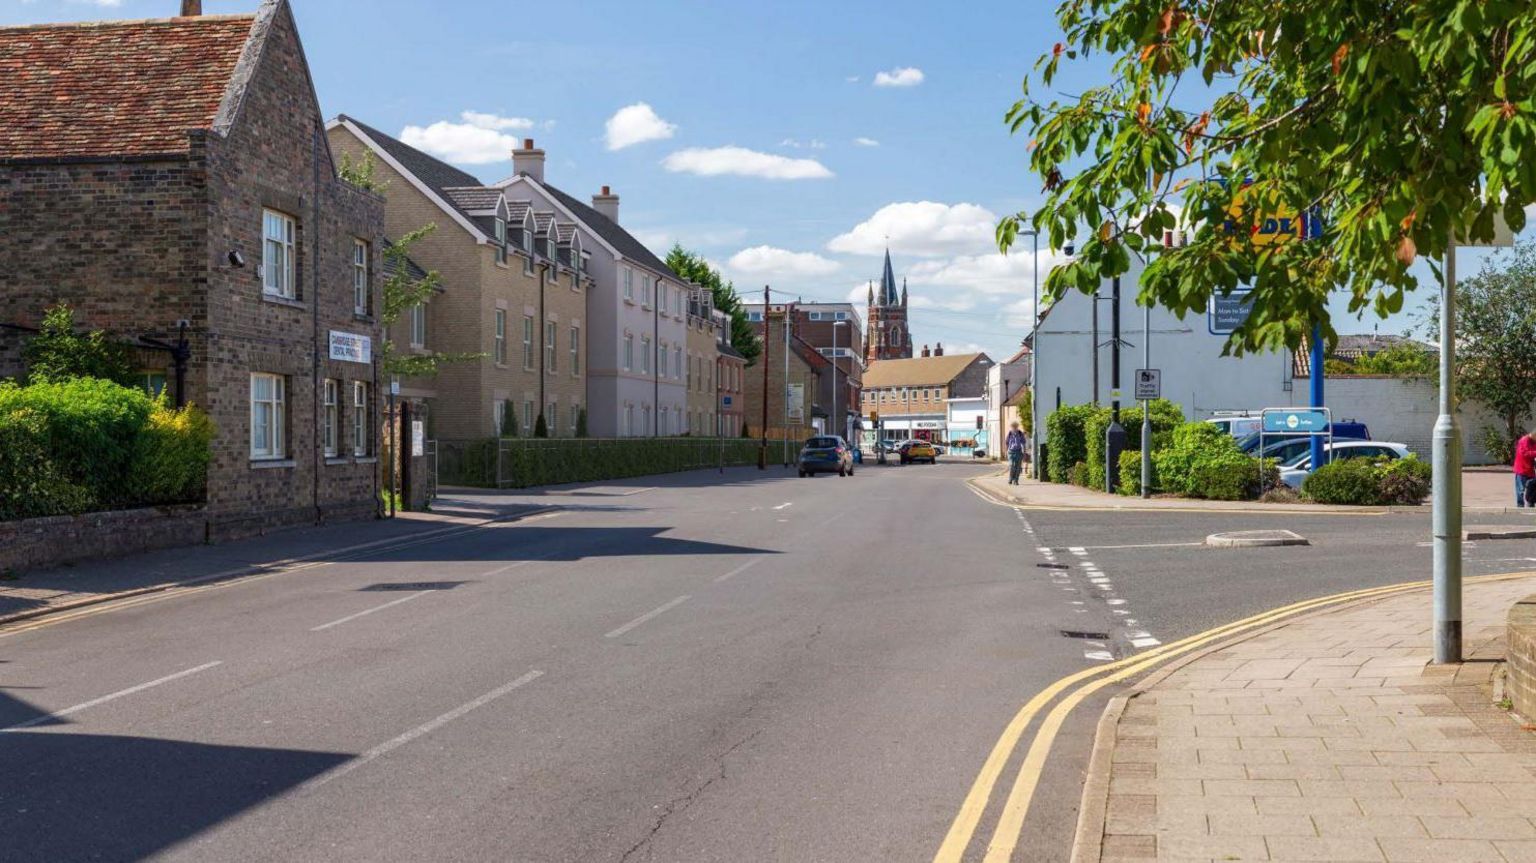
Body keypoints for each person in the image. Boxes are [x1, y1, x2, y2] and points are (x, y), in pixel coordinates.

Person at [1516, 430, 1536, 507]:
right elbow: (1525, 453)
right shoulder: (1524, 440)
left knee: (1533, 487)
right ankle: (1520, 505)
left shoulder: (1533, 442)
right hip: (1522, 468)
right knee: (1521, 489)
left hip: (1530, 469)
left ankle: (1531, 502)